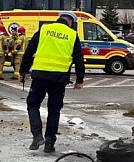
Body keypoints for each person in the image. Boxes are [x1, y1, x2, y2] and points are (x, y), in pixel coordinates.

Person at [19, 11, 85, 153]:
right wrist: (79, 80)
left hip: (40, 76)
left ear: (59, 18)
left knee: (33, 104)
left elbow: (29, 51)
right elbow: (79, 59)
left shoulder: (44, 29)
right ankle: (49, 143)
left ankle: (37, 136)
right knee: (54, 110)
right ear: (71, 22)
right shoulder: (72, 35)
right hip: (59, 78)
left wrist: (22, 71)